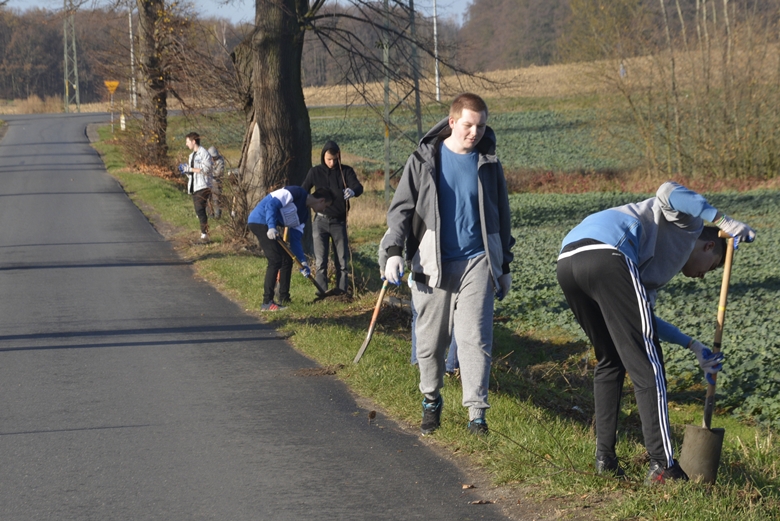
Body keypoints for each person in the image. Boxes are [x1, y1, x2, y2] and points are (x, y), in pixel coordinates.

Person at [556, 181, 756, 484]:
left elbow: (644, 319)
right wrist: (722, 219)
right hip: (609, 252)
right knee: (648, 364)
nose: (702, 275)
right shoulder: (688, 226)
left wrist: (693, 346)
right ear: (709, 245)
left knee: (611, 359)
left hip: (569, 262)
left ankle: (605, 459)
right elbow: (667, 191)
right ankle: (663, 464)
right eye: (711, 266)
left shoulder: (650, 274)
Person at [379, 93, 515, 436]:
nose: (475, 132)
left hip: (478, 262)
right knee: (431, 341)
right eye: (469, 125)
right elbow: (401, 211)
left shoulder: (489, 162)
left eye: (481, 126)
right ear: (453, 122)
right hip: (432, 263)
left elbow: (502, 215)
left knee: (475, 338)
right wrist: (394, 251)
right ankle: (431, 399)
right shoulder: (425, 160)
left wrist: (505, 264)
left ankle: (477, 415)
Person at [247, 186, 333, 311]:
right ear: (321, 201)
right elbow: (272, 204)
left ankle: (284, 297)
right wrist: (271, 226)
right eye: (325, 207)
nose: (324, 210)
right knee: (275, 259)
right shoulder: (295, 192)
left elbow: (295, 240)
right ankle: (267, 302)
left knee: (286, 259)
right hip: (259, 220)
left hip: (269, 225)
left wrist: (302, 262)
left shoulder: (303, 216)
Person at [301, 141, 364, 296]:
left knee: (342, 261)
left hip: (339, 222)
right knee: (321, 261)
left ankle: (341, 293)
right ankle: (321, 292)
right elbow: (303, 190)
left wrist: (353, 191)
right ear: (323, 157)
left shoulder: (345, 171)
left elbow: (358, 187)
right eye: (329, 159)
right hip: (320, 221)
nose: (332, 163)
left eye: (335, 159)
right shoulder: (315, 172)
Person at [178, 132, 215, 244]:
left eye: (187, 141)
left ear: (194, 141)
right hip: (195, 186)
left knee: (199, 209)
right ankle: (204, 233)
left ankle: (205, 234)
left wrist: (190, 169)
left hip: (203, 185)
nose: (186, 144)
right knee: (199, 210)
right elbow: (192, 173)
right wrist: (185, 171)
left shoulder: (204, 154)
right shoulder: (191, 156)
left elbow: (206, 169)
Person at [207, 146, 225, 219]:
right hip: (208, 182)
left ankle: (218, 216)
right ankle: (210, 214)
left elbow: (218, 173)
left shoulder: (220, 161)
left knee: (216, 200)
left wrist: (209, 172)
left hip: (216, 182)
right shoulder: (207, 160)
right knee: (207, 199)